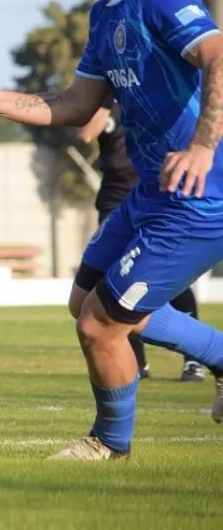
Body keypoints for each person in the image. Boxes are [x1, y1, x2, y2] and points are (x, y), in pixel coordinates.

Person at [0, 0, 223, 460]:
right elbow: (75, 104)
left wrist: (201, 145)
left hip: (199, 200)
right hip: (152, 193)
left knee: (99, 325)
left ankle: (109, 445)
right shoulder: (104, 16)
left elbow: (218, 55)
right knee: (86, 300)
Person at [77, 98, 206, 382]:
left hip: (154, 198)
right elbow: (85, 134)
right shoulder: (108, 100)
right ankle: (137, 362)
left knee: (173, 281)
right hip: (114, 201)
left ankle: (195, 359)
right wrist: (103, 98)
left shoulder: (153, 97)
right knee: (108, 287)